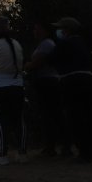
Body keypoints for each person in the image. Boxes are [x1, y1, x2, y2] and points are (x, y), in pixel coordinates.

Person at [48, 17, 92, 162]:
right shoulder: (82, 43)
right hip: (87, 79)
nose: (58, 31)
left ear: (67, 30)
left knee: (76, 117)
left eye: (60, 28)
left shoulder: (65, 43)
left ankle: (84, 153)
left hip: (72, 81)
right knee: (89, 117)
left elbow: (51, 58)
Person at [0, 16, 27, 165]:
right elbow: (21, 65)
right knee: (18, 120)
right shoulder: (16, 44)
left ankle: (2, 155)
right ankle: (22, 153)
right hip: (17, 86)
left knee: (1, 121)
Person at [24, 21, 69, 156]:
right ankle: (53, 146)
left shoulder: (47, 45)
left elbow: (36, 63)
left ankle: (59, 146)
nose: (34, 32)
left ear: (44, 30)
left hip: (48, 82)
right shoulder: (45, 44)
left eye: (37, 28)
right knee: (50, 115)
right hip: (46, 82)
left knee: (52, 114)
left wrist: (27, 65)